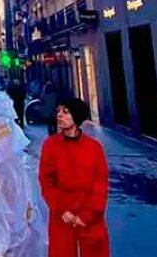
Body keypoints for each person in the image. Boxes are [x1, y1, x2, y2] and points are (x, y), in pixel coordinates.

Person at [39, 98, 110, 257]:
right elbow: (46, 182)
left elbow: (100, 186)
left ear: (76, 116)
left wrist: (88, 215)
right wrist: (61, 209)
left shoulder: (94, 148)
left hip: (91, 219)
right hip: (63, 217)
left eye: (65, 112)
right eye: (58, 111)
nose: (60, 116)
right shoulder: (50, 146)